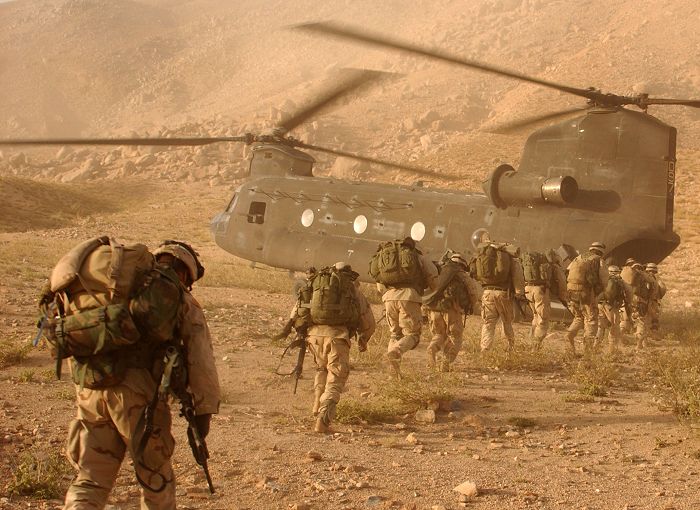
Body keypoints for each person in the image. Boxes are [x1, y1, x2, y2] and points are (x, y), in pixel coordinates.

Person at [62, 239, 220, 509]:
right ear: (184, 271)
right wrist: (204, 411)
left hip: (90, 388)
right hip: (137, 399)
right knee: (155, 478)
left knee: (90, 479)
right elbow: (200, 358)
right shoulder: (175, 295)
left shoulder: (114, 287)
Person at [289, 262, 375, 433]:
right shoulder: (351, 290)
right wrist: (363, 339)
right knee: (335, 379)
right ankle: (322, 421)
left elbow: (295, 313)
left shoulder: (315, 284)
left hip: (313, 338)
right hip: (337, 338)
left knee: (321, 369)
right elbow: (368, 320)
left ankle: (315, 406)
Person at [372, 237, 437, 378]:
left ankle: (393, 372)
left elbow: (379, 285)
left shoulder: (385, 256)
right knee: (413, 335)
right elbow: (433, 278)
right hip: (409, 297)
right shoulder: (418, 255)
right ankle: (396, 351)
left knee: (395, 334)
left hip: (389, 297)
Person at [423, 253, 480, 371]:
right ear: (462, 264)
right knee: (456, 337)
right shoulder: (461, 275)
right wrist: (471, 306)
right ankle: (446, 362)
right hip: (452, 310)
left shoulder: (440, 271)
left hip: (434, 309)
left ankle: (432, 348)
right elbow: (473, 292)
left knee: (439, 335)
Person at [469, 240, 525, 352]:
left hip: (487, 292)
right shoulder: (509, 257)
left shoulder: (483, 256)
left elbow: (474, 273)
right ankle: (508, 349)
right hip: (503, 293)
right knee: (506, 322)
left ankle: (485, 349)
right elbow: (517, 276)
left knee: (488, 323)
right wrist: (519, 292)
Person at [565, 241, 608, 355]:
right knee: (591, 320)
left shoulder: (578, 258)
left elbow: (567, 271)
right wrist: (600, 293)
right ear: (601, 252)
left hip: (572, 293)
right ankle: (587, 352)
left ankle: (569, 336)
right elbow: (604, 281)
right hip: (587, 294)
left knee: (578, 317)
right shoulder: (599, 260)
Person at [521, 249, 567, 349]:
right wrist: (563, 298)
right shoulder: (553, 266)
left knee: (535, 316)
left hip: (528, 289)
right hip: (540, 291)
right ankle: (535, 347)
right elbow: (562, 282)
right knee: (543, 320)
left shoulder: (535, 263)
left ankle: (530, 343)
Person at [594, 265, 632, 354]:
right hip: (611, 307)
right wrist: (628, 302)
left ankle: (596, 346)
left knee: (601, 326)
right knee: (614, 326)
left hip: (600, 305)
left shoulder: (602, 279)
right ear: (618, 272)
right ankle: (612, 349)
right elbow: (629, 291)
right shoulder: (620, 281)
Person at [621, 259, 653, 349]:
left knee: (625, 321)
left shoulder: (625, 275)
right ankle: (638, 345)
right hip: (640, 302)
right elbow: (652, 285)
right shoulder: (642, 276)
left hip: (628, 301)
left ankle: (619, 339)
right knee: (641, 322)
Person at [645, 263, 666, 335]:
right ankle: (653, 335)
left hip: (644, 301)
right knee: (654, 319)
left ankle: (644, 337)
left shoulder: (644, 277)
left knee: (643, 319)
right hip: (654, 301)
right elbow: (663, 288)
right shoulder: (657, 278)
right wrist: (659, 297)